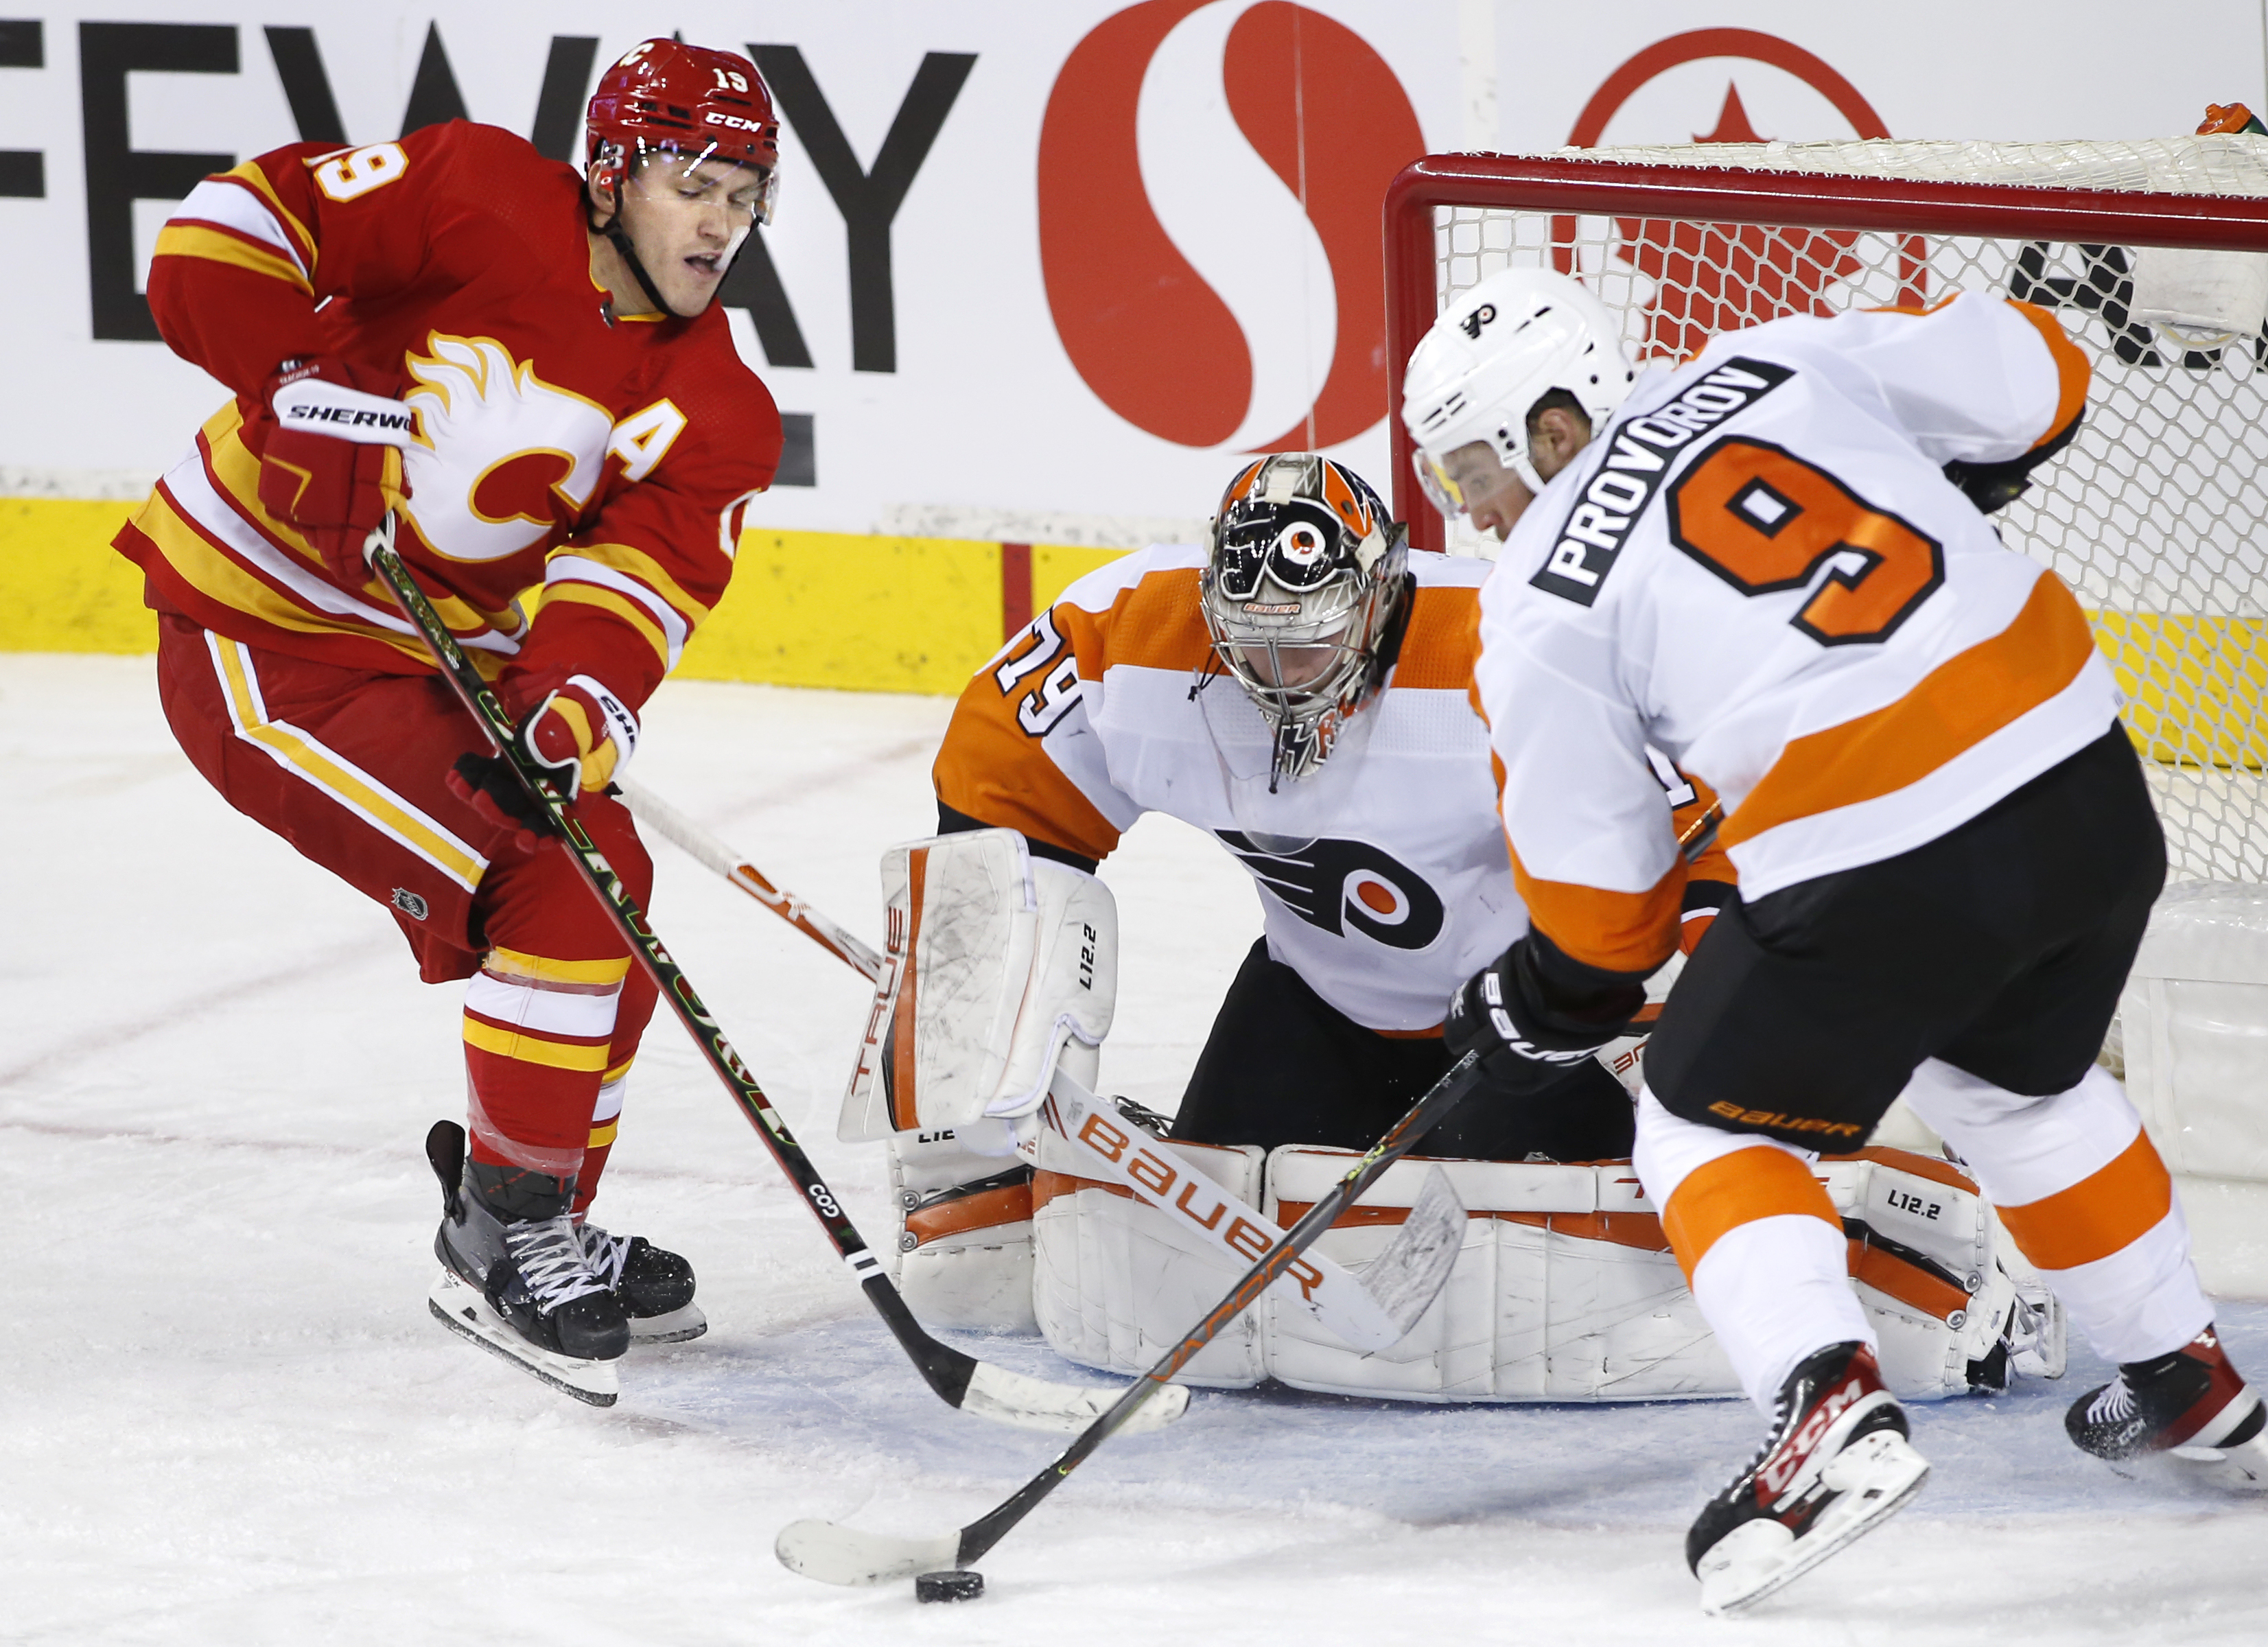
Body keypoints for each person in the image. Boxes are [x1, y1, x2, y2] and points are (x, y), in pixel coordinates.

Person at [1409, 267, 2268, 1612]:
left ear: (1553, 418)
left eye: (1477, 458)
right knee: (2011, 1080)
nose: (1469, 501)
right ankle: (2189, 1379)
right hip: (2083, 786)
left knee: (1703, 1126)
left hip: (1888, 849)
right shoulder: (1776, 359)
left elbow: (1603, 925)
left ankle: (1826, 1416)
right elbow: (2043, 376)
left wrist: (1532, 1000)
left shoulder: (1538, 599)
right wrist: (1955, 471)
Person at [874, 453, 2058, 1408]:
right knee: (1219, 1228)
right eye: (1255, 650)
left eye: (1311, 644)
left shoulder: (1509, 656)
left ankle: (1901, 1219)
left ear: (1381, 595)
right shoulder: (1132, 642)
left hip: (1534, 1017)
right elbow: (996, 806)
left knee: (1532, 1246)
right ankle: (975, 1188)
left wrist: (1659, 1033)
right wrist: (1005, 1021)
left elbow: (1712, 846)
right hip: (1316, 998)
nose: (1283, 681)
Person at [116, 38, 784, 1403]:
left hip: (421, 665)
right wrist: (287, 370)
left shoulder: (713, 400)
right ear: (607, 175)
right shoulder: (475, 192)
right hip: (260, 643)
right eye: (692, 182)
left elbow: (632, 586)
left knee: (611, 877)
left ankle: (541, 1216)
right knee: (556, 883)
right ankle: (508, 1229)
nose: (721, 221)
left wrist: (570, 706)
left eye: (745, 192)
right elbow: (221, 234)